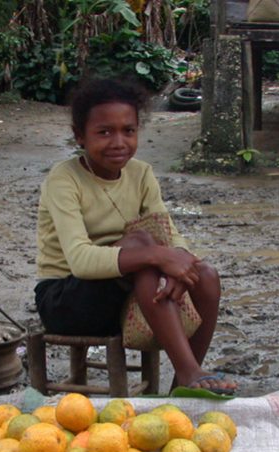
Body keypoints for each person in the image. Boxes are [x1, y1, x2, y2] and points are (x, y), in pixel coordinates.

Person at [34, 77, 237, 395]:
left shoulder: (140, 174)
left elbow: (170, 232)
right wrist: (158, 256)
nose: (118, 142)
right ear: (80, 136)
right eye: (104, 132)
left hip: (126, 293)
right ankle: (189, 371)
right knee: (143, 245)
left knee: (205, 274)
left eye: (128, 131)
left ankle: (181, 389)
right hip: (67, 300)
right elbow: (81, 260)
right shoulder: (64, 180)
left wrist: (181, 262)